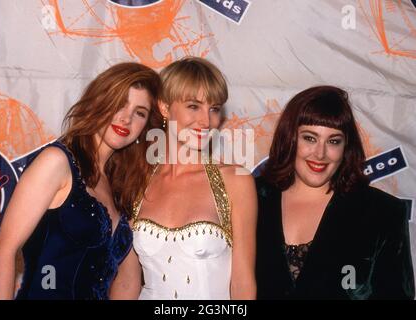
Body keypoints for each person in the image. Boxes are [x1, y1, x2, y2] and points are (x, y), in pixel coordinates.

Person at [0, 62, 162, 299]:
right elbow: (4, 252)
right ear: (99, 102)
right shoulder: (57, 162)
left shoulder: (123, 187)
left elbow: (127, 280)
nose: (126, 118)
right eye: (119, 104)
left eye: (139, 112)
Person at [110, 57, 257, 300]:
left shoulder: (235, 181)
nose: (206, 121)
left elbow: (243, 284)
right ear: (165, 108)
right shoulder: (137, 180)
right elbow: (127, 281)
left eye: (214, 109)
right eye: (193, 106)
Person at [256, 85, 415, 300]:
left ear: (346, 147)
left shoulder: (383, 213)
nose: (320, 153)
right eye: (310, 138)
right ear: (290, 138)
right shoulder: (252, 199)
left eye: (333, 141)